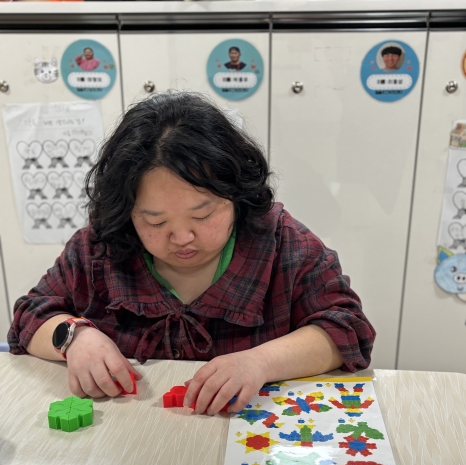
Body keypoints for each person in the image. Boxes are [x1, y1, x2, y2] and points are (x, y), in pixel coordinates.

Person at [8, 92, 375, 415]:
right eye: (155, 221)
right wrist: (74, 337)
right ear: (126, 212)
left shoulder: (283, 244)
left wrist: (260, 362)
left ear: (236, 197)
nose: (182, 238)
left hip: (247, 442)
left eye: (203, 215)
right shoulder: (99, 248)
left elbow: (348, 330)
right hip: (129, 440)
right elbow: (31, 315)